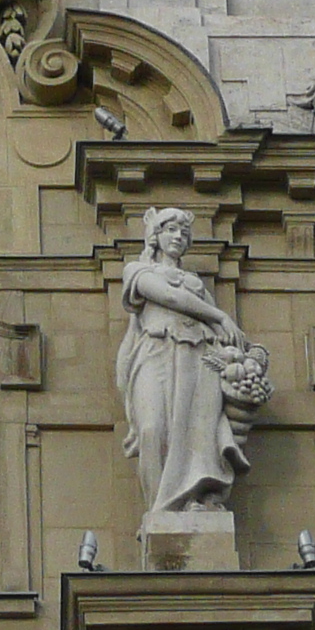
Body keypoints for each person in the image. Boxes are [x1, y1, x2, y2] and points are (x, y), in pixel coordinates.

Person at [114, 206, 265, 514]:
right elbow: (168, 298)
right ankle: (161, 509)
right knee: (152, 429)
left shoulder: (194, 283)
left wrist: (253, 354)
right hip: (156, 353)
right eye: (171, 229)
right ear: (155, 235)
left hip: (199, 359)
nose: (178, 237)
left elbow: (226, 335)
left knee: (198, 433)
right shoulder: (138, 271)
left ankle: (194, 499)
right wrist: (218, 314)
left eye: (184, 232)